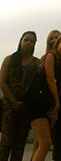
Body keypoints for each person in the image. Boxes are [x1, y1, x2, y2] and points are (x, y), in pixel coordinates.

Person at [26, 33, 61, 161]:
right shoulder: (50, 56)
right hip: (36, 104)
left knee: (42, 143)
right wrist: (57, 104)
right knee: (45, 142)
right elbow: (50, 80)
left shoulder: (60, 62)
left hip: (44, 104)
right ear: (57, 44)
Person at [0, 31, 38, 161]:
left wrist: (23, 103)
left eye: (31, 41)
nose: (28, 43)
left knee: (20, 143)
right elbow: (2, 82)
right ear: (21, 41)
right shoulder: (9, 59)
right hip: (9, 106)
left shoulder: (36, 63)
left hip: (26, 107)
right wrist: (14, 102)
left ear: (34, 44)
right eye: (26, 40)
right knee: (5, 141)